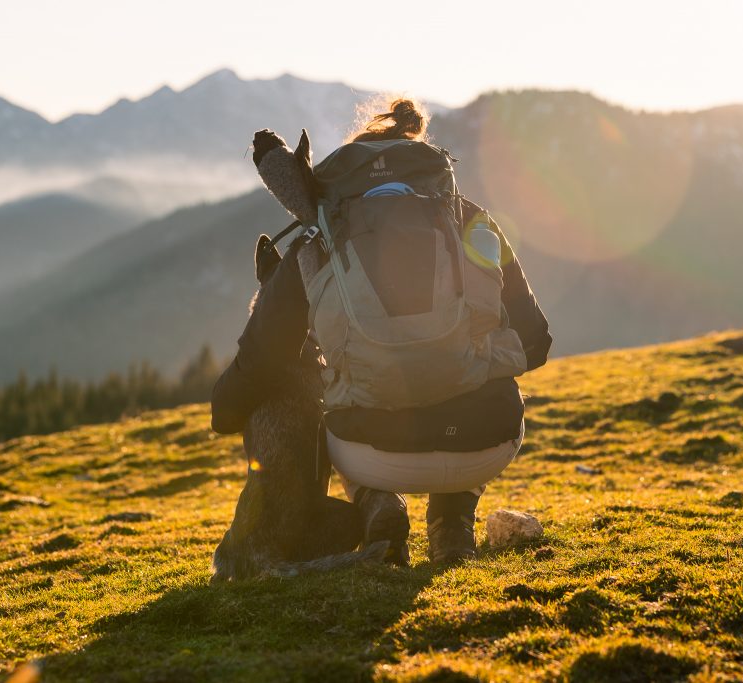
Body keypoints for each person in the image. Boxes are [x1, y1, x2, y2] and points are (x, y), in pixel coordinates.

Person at [212, 97, 552, 565]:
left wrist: (224, 411)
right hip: (483, 441)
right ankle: (452, 527)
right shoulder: (472, 221)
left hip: (373, 451)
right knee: (488, 388)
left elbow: (263, 360)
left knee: (332, 400)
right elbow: (536, 343)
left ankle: (379, 504)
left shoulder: (321, 239)